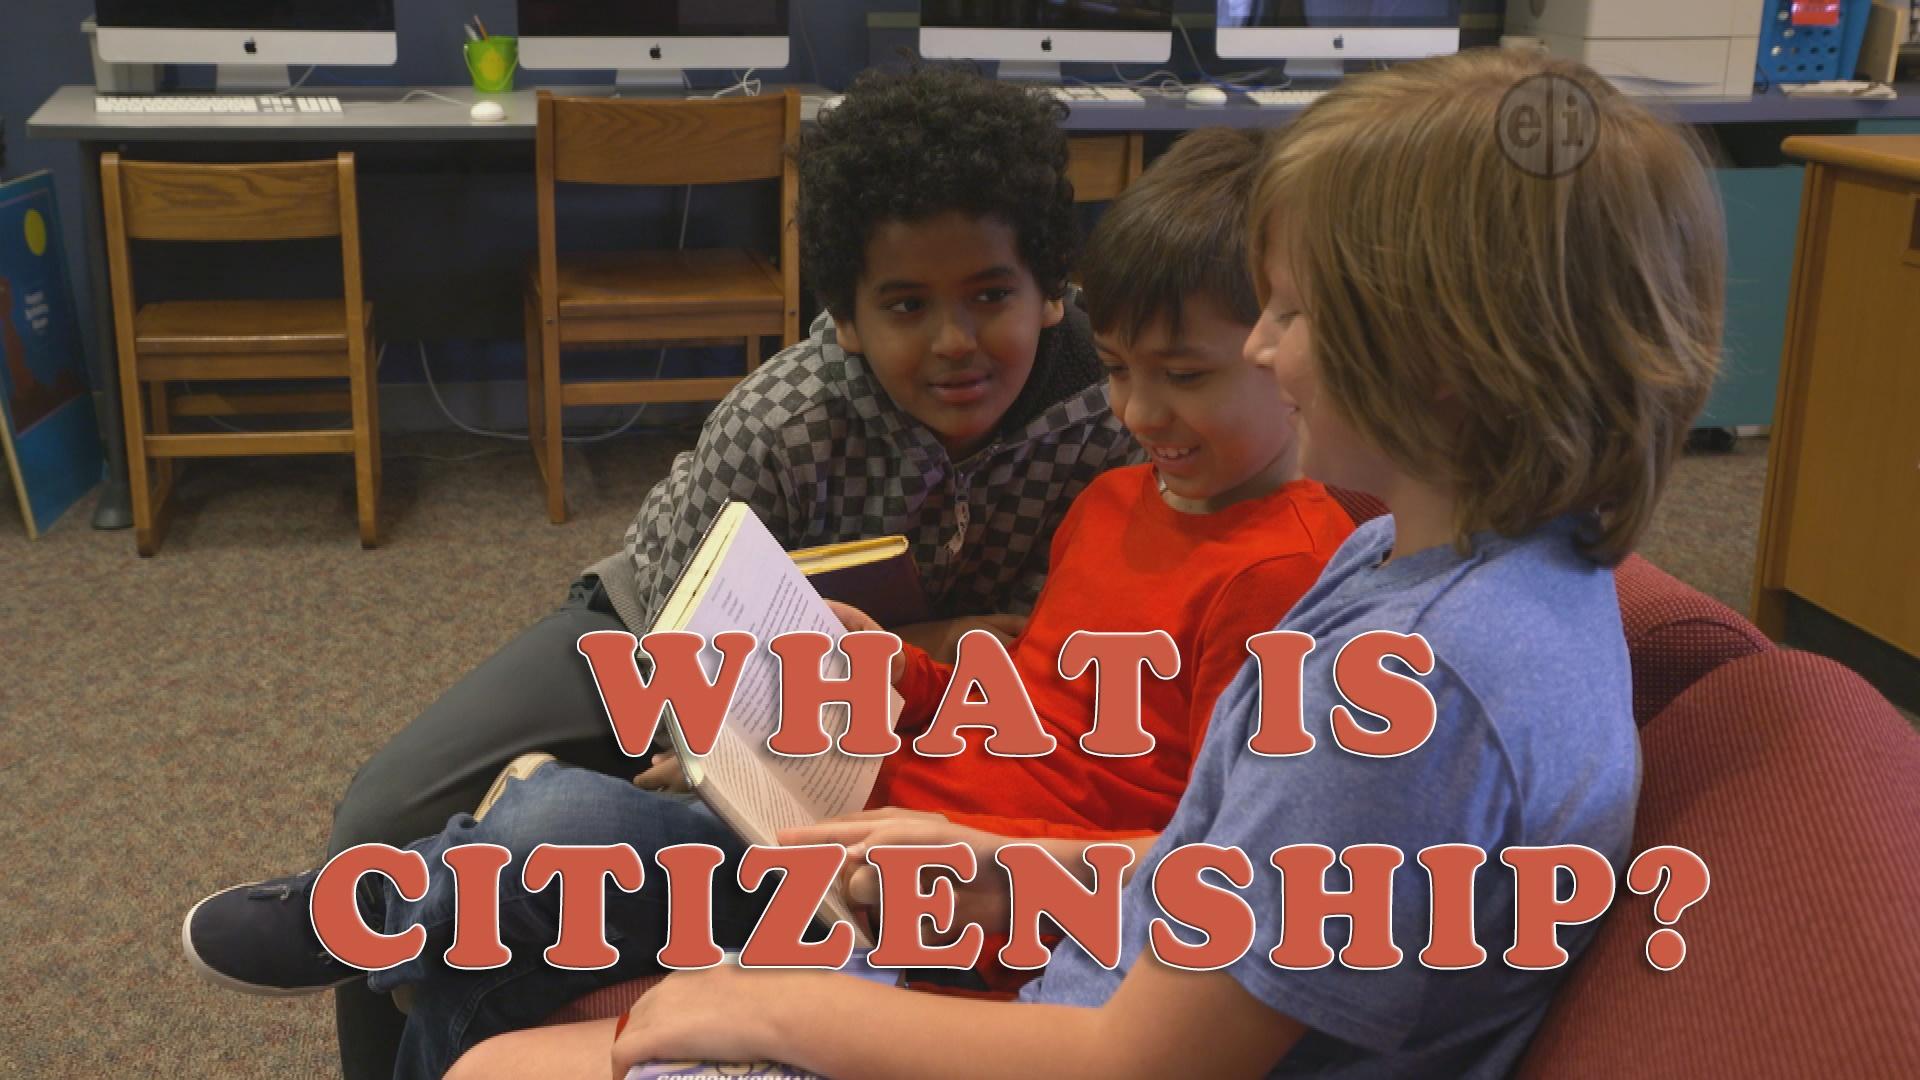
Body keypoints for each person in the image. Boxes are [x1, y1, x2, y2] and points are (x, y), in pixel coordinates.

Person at [451, 48, 1728, 1079]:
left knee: (508, 1050)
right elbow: (1223, 874)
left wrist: (764, 1017)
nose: (1272, 354)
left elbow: (1141, 1054)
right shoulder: (1434, 566)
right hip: (1053, 943)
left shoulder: (1405, 691)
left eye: (1288, 316)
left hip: (1076, 1024)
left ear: (1435, 356)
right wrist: (1016, 867)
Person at [183, 127, 1354, 1078]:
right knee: (537, 835)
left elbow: (1207, 854)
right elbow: (1030, 693)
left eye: (1181, 378)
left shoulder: (1268, 565)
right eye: (1124, 374)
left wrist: (943, 758)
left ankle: (428, 895)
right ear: (844, 316)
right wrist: (893, 674)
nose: (1142, 411)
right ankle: (393, 893)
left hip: (931, 893)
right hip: (700, 654)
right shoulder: (1095, 489)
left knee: (547, 848)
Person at [302, 66, 1139, 1079]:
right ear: (844, 317)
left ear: (1050, 290)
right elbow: (670, 613)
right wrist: (709, 744)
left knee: (580, 848)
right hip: (652, 632)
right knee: (378, 827)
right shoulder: (787, 415)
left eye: (990, 296)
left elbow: (1082, 640)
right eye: (906, 305)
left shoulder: (1115, 409)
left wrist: (926, 664)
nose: (955, 343)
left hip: (882, 704)